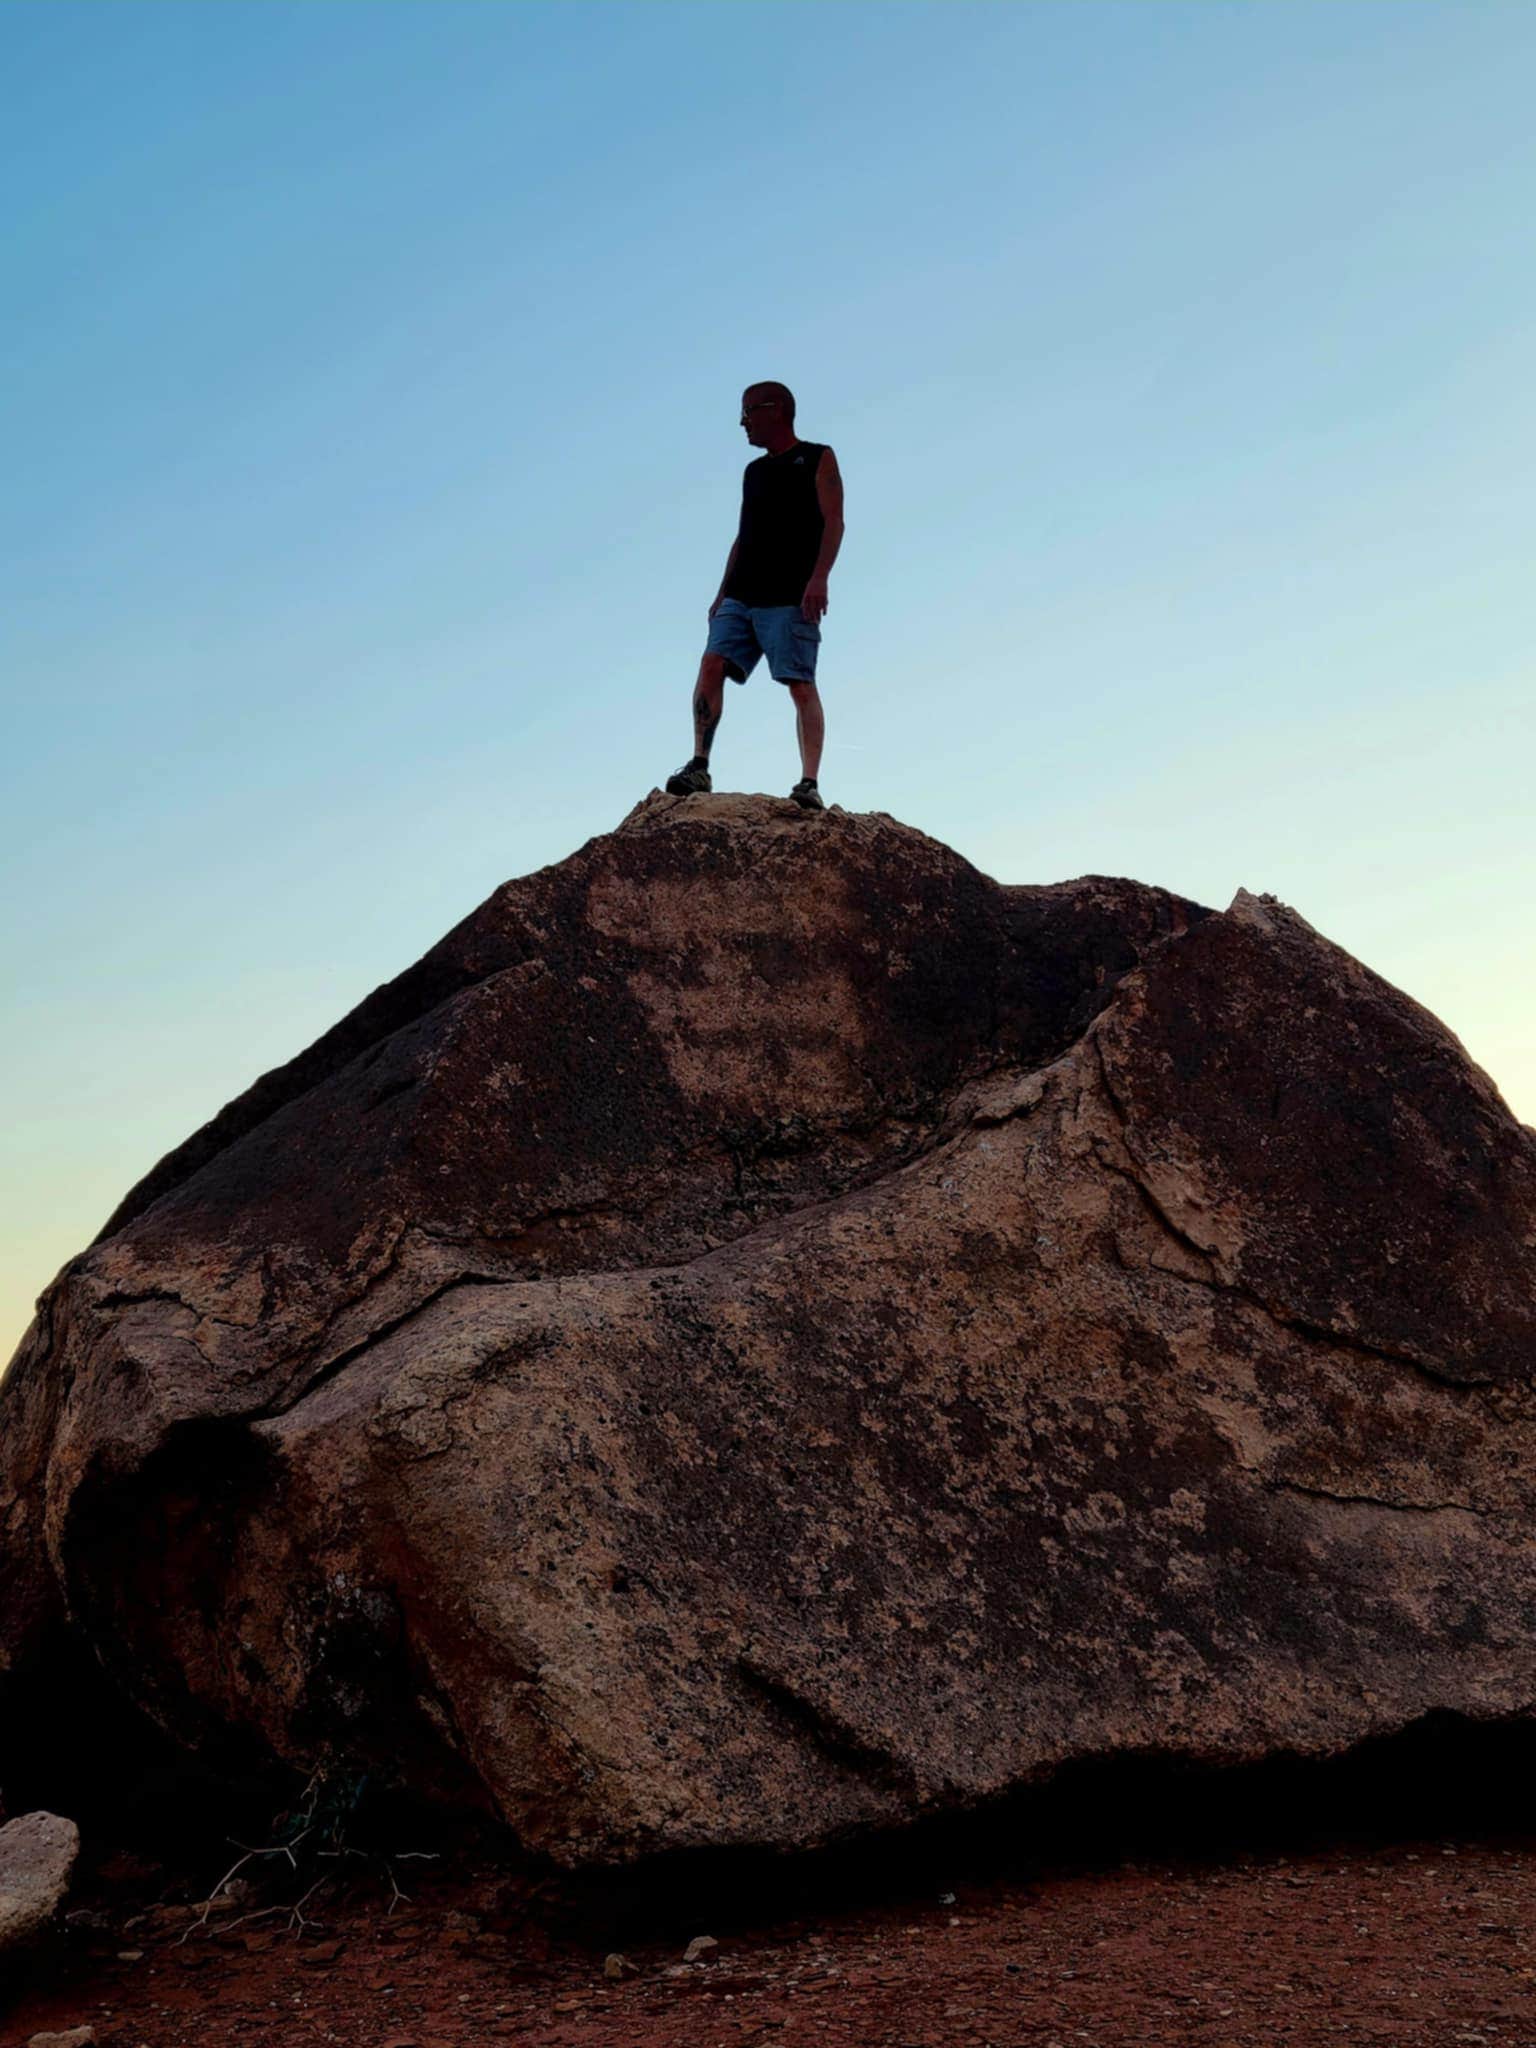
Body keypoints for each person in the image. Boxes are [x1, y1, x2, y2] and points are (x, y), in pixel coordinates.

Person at [664, 382, 844, 811]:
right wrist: (721, 593)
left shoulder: (817, 457)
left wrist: (820, 578)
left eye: (749, 411)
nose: (743, 422)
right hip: (743, 593)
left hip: (790, 594)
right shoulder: (754, 471)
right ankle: (699, 764)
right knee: (711, 662)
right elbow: (743, 536)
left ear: (776, 410)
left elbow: (834, 521)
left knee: (799, 683)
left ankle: (808, 782)